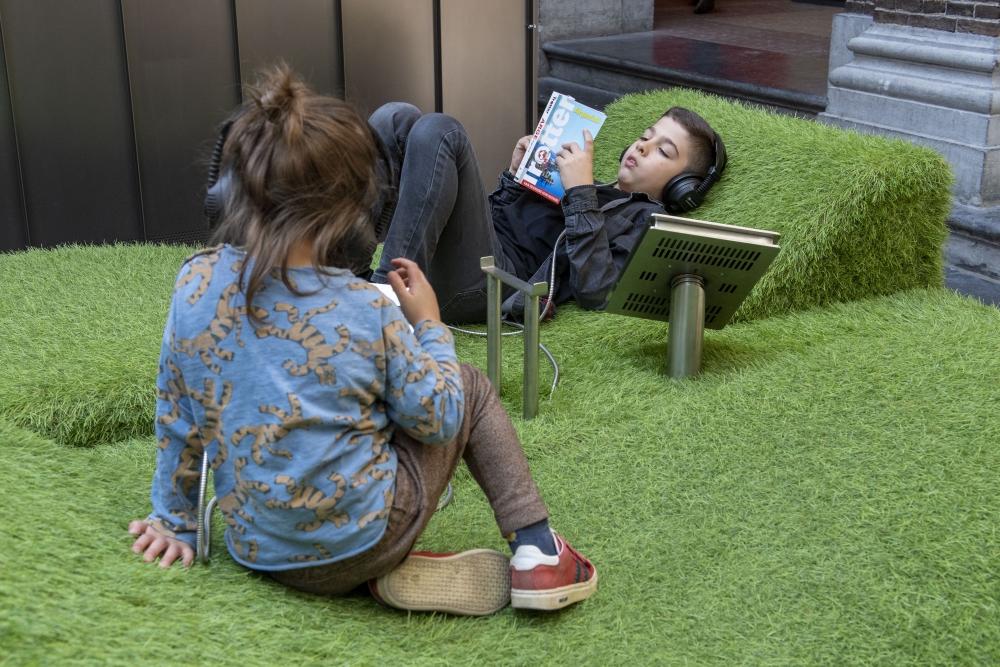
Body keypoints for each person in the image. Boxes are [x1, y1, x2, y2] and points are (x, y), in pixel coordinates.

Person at [127, 66, 596, 615]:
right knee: (467, 386)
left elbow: (178, 411)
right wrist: (430, 327)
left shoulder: (193, 283)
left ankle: (361, 571)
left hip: (259, 549)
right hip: (367, 540)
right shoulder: (370, 309)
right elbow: (440, 419)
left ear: (227, 192)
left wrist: (175, 520)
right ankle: (538, 553)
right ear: (352, 218)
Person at [367, 101, 722, 323]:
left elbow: (597, 290)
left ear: (683, 187)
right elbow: (496, 222)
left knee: (441, 131)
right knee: (396, 117)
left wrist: (579, 192)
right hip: (473, 256)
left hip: (496, 283)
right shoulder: (584, 180)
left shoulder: (644, 219)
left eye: (664, 151)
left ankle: (381, 305)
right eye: (647, 135)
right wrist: (515, 178)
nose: (643, 146)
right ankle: (348, 264)